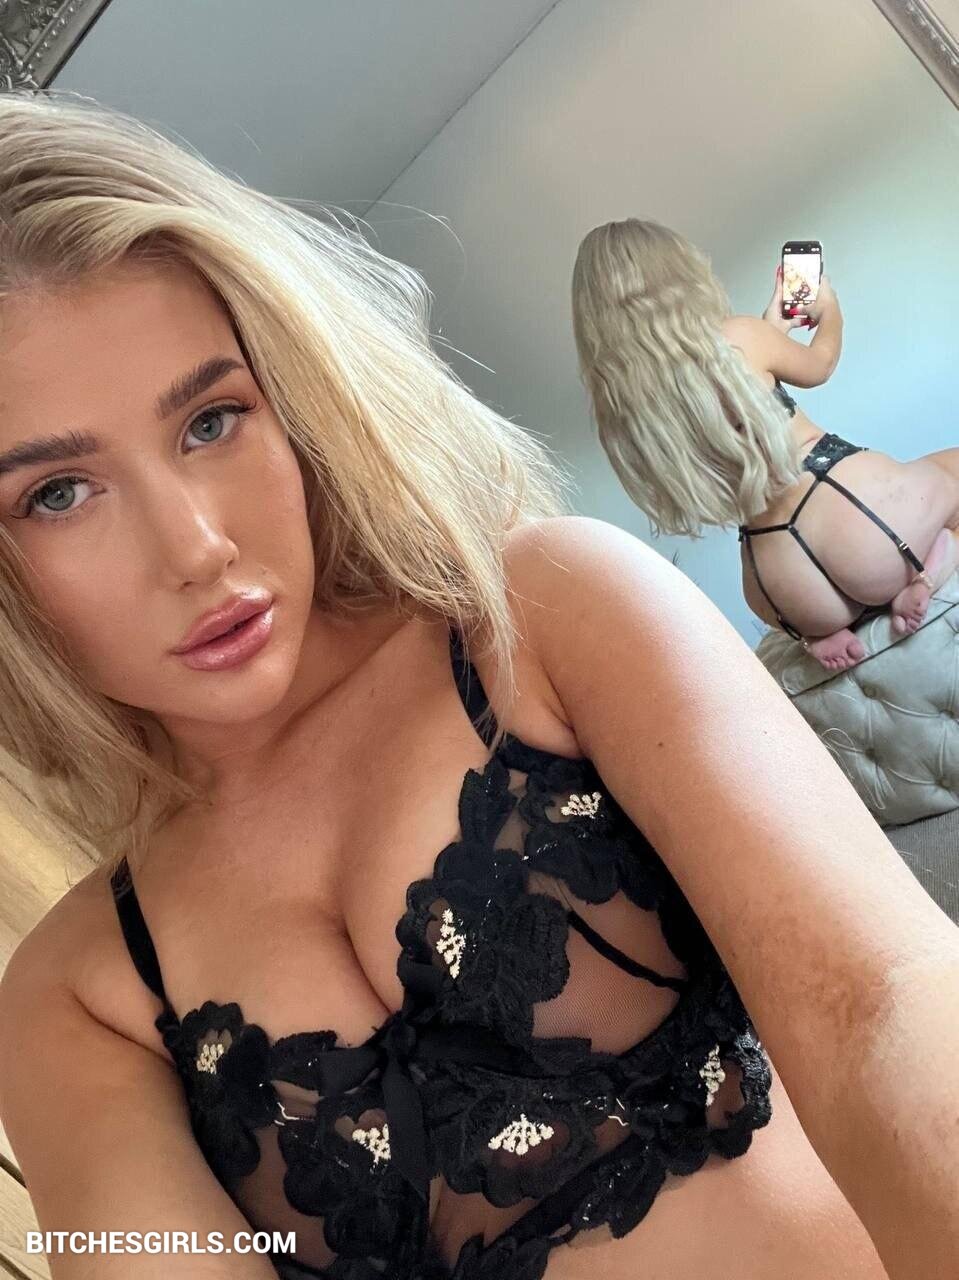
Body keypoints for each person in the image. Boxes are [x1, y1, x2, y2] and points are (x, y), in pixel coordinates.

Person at [0, 93, 956, 1280]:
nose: (195, 545)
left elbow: (882, 1004)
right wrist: (802, 280)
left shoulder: (544, 615)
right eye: (57, 493)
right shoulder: (74, 997)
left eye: (211, 419)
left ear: (294, 396)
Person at [571, 218, 959, 671]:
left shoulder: (626, 406)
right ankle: (926, 577)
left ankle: (820, 635)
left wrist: (771, 328)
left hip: (778, 581)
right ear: (678, 276)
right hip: (854, 518)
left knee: (817, 594)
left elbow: (729, 390)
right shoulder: (738, 337)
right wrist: (829, 309)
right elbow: (820, 363)